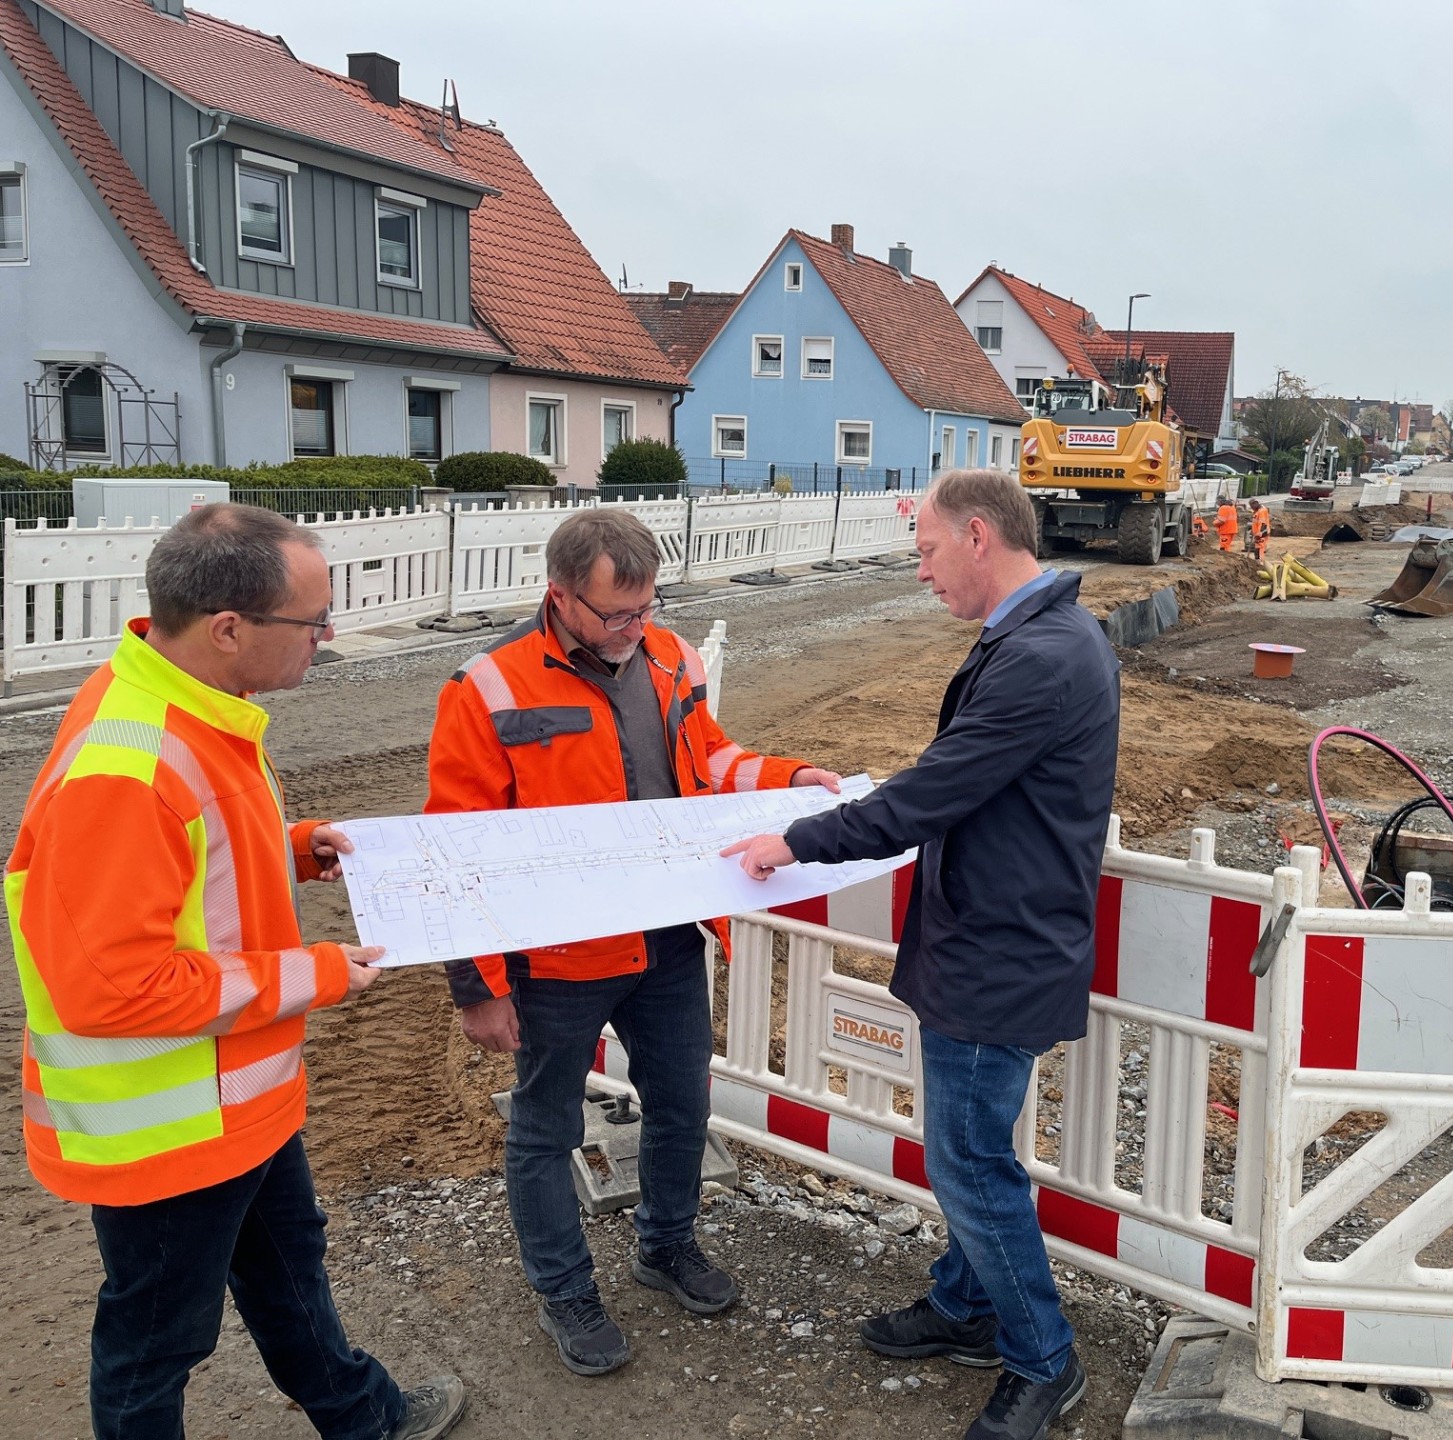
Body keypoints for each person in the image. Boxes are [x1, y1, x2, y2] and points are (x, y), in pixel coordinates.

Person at [6, 504, 464, 1440]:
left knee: (290, 1271)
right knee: (155, 1345)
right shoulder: (124, 774)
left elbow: (192, 867)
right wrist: (319, 972)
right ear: (228, 630)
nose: (326, 640)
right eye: (312, 623)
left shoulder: (191, 712)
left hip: (237, 1101)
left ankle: (363, 1416)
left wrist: (296, 848)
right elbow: (116, 989)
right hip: (167, 1130)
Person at [723, 469, 1119, 1440]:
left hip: (1000, 953)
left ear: (979, 536)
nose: (921, 571)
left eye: (926, 549)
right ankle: (967, 1306)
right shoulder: (1039, 639)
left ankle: (1042, 1360)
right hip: (991, 941)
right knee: (965, 1157)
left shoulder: (1044, 656)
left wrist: (800, 839)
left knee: (970, 1163)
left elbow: (936, 789)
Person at [426, 509, 839, 1378]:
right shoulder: (488, 688)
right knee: (545, 1128)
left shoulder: (669, 657)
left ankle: (666, 1246)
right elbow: (457, 848)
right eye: (615, 614)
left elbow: (711, 761)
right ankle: (565, 1291)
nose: (633, 628)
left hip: (668, 939)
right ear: (560, 597)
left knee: (684, 1103)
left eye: (645, 608)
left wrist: (787, 777)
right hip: (559, 961)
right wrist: (478, 984)